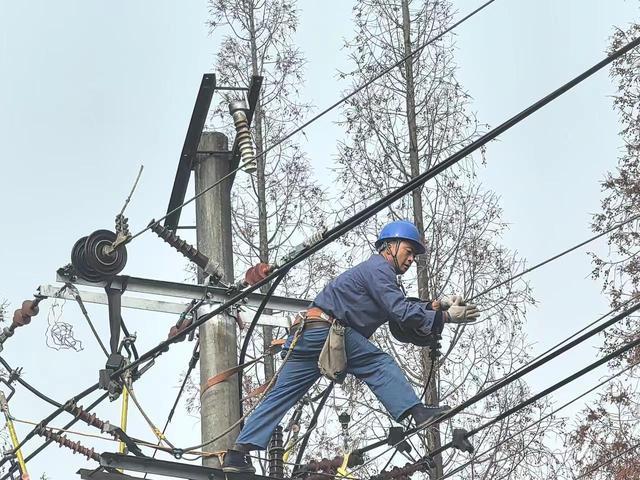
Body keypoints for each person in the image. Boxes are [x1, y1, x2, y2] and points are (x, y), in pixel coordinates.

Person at [222, 220, 480, 473]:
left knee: (282, 395)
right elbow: (400, 311)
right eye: (408, 251)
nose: (411, 259)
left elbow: (399, 308)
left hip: (307, 335)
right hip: (328, 332)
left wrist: (437, 305)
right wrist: (446, 317)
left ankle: (238, 454)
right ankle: (417, 410)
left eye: (413, 255)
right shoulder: (380, 270)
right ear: (390, 245)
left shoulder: (377, 273)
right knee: (378, 363)